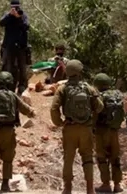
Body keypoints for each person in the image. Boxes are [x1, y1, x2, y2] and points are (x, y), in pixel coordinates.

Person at [50, 59, 103, 194]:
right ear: (80, 72)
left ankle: (67, 189)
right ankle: (90, 189)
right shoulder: (88, 88)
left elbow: (54, 108)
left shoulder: (62, 89)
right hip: (86, 128)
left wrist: (60, 122)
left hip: (70, 128)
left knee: (68, 158)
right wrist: (90, 118)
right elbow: (100, 107)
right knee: (87, 158)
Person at [0, 71, 36, 191]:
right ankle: (5, 184)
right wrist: (33, 113)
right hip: (8, 131)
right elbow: (26, 109)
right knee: (7, 159)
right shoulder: (13, 96)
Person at [92, 73, 124, 193]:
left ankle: (106, 184)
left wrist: (92, 127)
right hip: (114, 131)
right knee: (115, 158)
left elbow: (96, 113)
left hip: (102, 131)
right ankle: (117, 185)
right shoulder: (117, 95)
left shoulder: (100, 96)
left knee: (102, 157)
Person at [0, 0, 31, 95]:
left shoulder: (23, 15)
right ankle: (9, 89)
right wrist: (10, 15)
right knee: (9, 68)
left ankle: (22, 89)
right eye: (13, 7)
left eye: (17, 7)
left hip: (21, 47)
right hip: (9, 46)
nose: (15, 9)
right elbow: (1, 23)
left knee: (22, 69)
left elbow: (27, 26)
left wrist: (18, 17)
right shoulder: (8, 15)